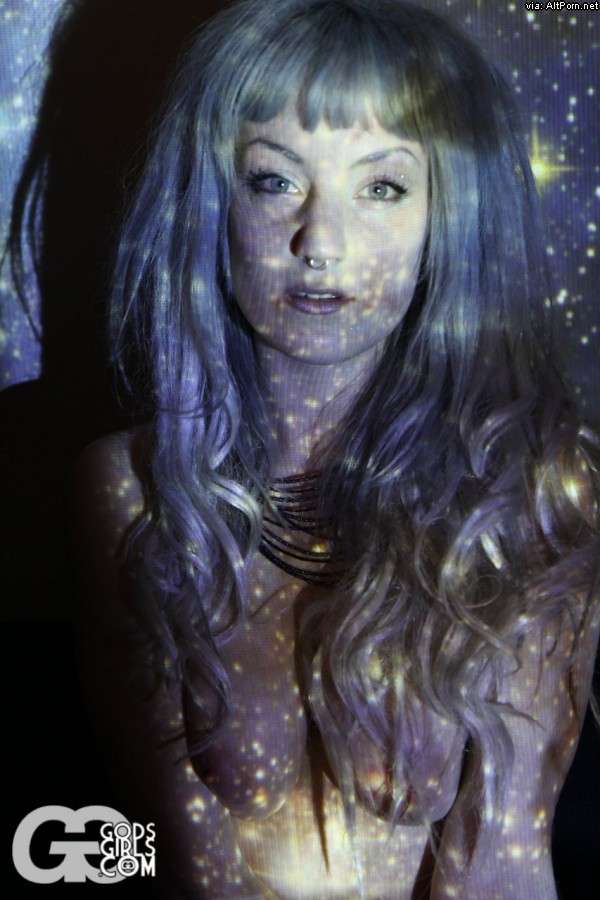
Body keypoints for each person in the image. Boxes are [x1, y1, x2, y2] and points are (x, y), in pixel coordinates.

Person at [70, 0, 600, 897]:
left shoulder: (534, 490)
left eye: (382, 187)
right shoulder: (129, 490)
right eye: (274, 179)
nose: (320, 242)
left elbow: (504, 862)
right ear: (212, 201)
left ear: (448, 216)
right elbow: (175, 855)